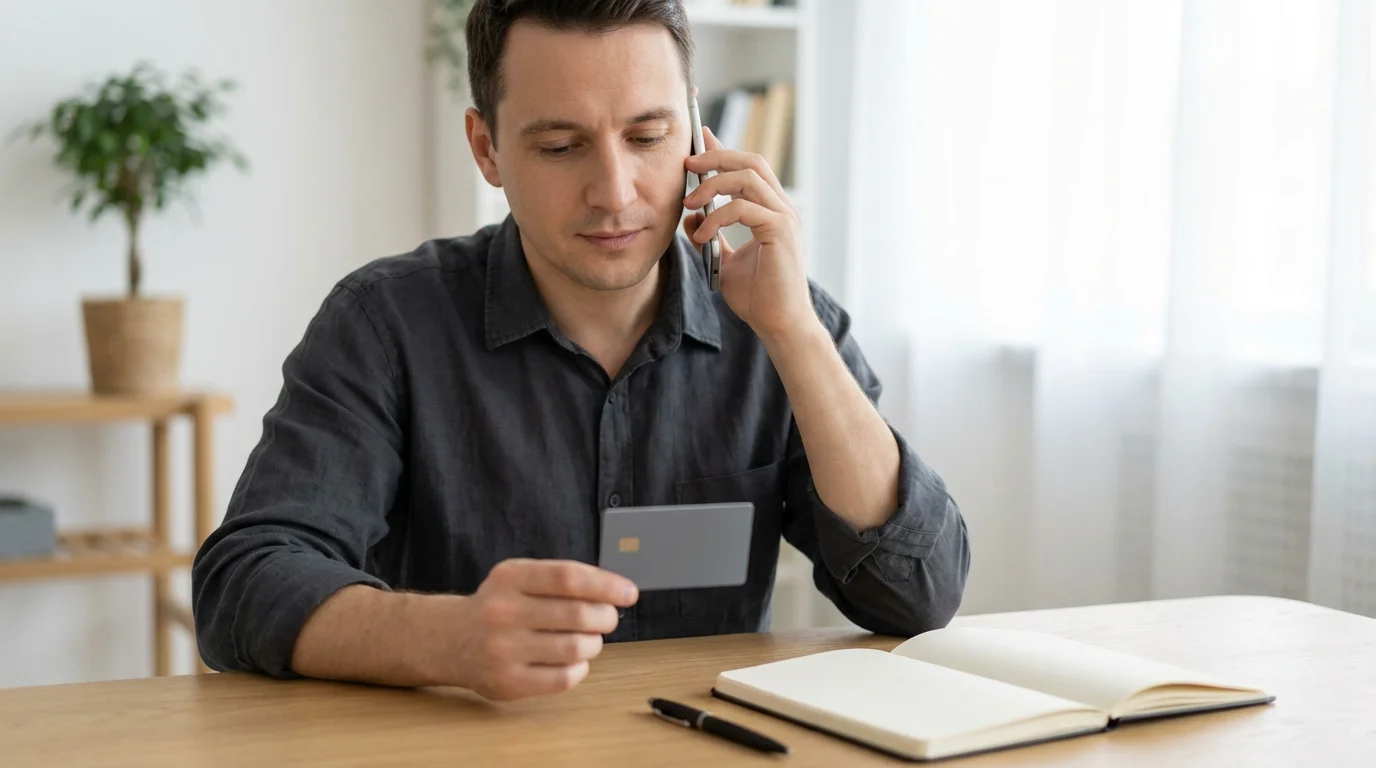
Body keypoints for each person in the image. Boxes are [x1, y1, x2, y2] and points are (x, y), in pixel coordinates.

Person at [191, 0, 970, 702]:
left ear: (698, 131)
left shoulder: (783, 319)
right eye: (562, 146)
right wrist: (446, 639)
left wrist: (795, 337)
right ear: (487, 149)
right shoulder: (385, 324)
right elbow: (244, 583)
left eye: (648, 136)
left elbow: (917, 593)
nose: (616, 190)